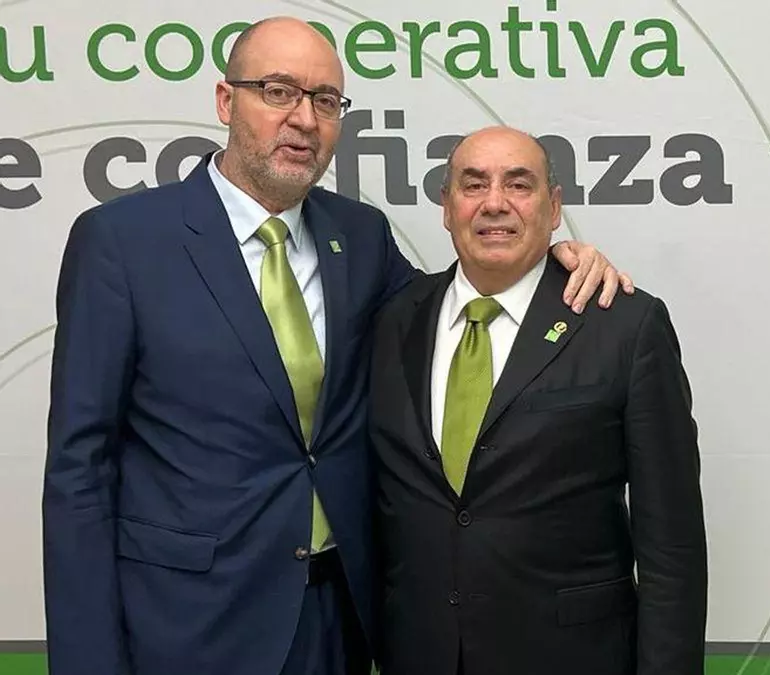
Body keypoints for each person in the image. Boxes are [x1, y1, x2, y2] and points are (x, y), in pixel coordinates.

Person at [41, 17, 632, 675]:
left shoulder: (360, 235)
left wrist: (547, 258)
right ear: (226, 101)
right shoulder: (122, 242)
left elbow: (452, 305)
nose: (304, 119)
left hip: (339, 617)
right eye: (278, 91)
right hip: (189, 624)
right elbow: (80, 468)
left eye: (325, 100)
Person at [368, 125, 708, 675]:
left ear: (554, 208)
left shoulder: (624, 326)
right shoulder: (392, 321)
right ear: (447, 207)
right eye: (473, 185)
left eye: (519, 185)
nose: (494, 203)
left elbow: (672, 546)